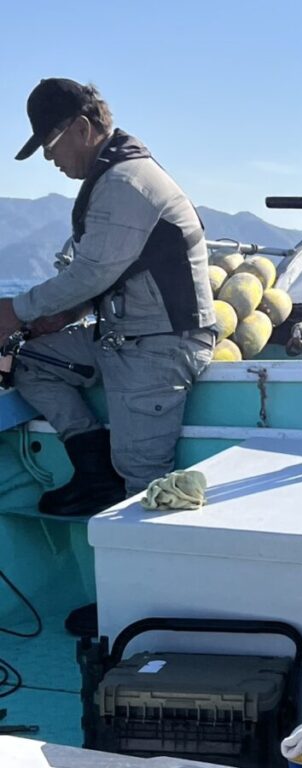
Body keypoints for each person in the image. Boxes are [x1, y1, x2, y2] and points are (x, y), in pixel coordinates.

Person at [0, 78, 216, 517]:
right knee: (33, 364)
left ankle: (145, 571)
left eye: (50, 144)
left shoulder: (127, 182)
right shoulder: (113, 175)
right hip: (120, 338)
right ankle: (95, 472)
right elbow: (104, 273)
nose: (49, 158)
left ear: (82, 128)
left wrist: (14, 310)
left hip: (161, 346)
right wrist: (65, 315)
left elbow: (92, 271)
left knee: (146, 485)